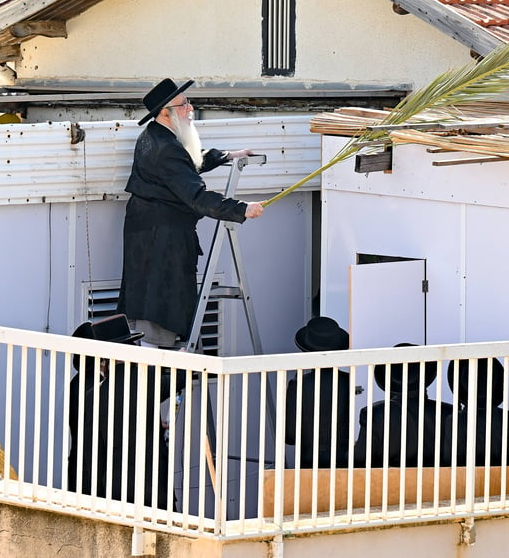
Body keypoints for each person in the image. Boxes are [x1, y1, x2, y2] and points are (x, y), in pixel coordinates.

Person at [117, 78, 264, 349]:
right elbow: (196, 196)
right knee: (159, 308)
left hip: (154, 233)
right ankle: (159, 370)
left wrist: (227, 155)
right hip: (160, 239)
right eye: (183, 104)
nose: (190, 108)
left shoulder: (158, 136)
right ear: (165, 112)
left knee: (154, 301)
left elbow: (191, 161)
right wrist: (241, 208)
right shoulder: (164, 149)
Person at [66, 313, 184, 505]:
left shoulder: (90, 391)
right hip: (152, 489)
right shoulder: (146, 378)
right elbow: (179, 378)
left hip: (112, 489)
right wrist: (181, 359)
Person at [354, 343, 441, 467]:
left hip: (386, 484)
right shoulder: (448, 414)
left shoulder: (375, 413)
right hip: (436, 484)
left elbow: (360, 458)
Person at [284, 316, 353, 469]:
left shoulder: (298, 385)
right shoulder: (350, 382)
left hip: (308, 463)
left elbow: (290, 436)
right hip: (345, 462)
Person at [439, 357, 509, 467]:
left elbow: (448, 464)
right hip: (501, 482)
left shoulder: (453, 421)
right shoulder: (508, 418)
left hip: (462, 482)